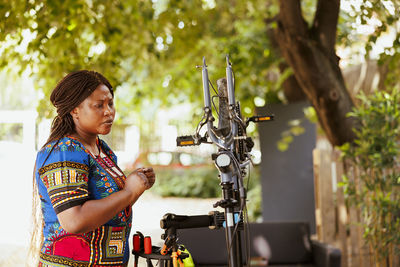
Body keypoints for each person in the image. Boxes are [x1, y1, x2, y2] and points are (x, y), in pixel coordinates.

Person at [32, 70, 155, 266]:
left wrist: (138, 185)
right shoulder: (63, 151)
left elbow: (111, 208)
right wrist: (129, 192)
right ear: (75, 110)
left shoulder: (102, 150)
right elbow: (74, 220)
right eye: (99, 105)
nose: (109, 111)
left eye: (110, 103)